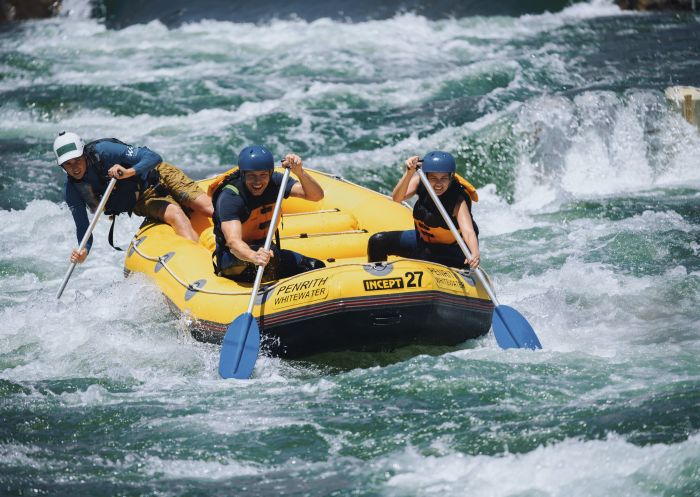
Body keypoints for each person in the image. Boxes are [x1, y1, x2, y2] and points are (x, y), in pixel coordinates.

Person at [54, 131, 214, 264]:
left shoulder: (105, 151)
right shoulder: (73, 191)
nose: (74, 167)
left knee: (207, 208)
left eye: (77, 160)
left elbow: (154, 157)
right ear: (62, 166)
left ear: (85, 154)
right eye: (68, 164)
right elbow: (83, 228)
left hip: (160, 174)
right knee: (177, 215)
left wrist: (127, 172)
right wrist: (84, 251)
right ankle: (203, 265)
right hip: (143, 198)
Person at [211, 145, 326, 282]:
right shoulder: (231, 197)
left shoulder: (276, 182)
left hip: (268, 252)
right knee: (270, 262)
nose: (258, 182)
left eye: (263, 175)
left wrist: (299, 172)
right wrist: (253, 256)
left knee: (316, 267)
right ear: (243, 175)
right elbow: (233, 242)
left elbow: (316, 196)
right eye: (252, 176)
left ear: (270, 173)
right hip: (234, 258)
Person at [367, 151, 480, 269]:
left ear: (451, 177)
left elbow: (468, 231)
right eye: (433, 178)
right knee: (378, 241)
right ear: (426, 176)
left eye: (443, 178)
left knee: (425, 255)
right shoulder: (420, 181)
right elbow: (397, 198)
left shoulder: (457, 200)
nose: (439, 184)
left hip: (452, 251)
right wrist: (409, 172)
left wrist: (475, 252)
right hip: (422, 243)